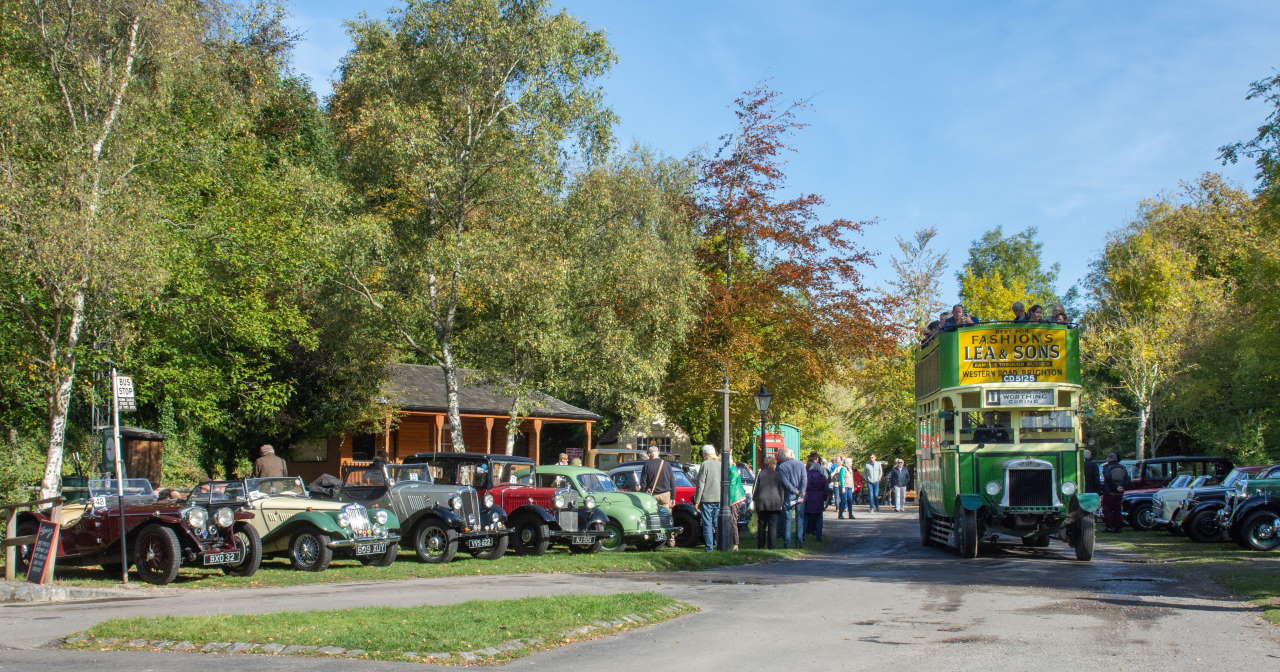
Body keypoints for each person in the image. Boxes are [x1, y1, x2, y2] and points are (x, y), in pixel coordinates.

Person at [776, 447, 807, 548]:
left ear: (784, 456)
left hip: (789, 494)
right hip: (800, 494)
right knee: (800, 518)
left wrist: (795, 491)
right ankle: (799, 542)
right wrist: (801, 492)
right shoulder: (801, 464)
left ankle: (787, 542)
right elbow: (804, 479)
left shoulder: (782, 467)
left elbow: (785, 483)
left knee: (787, 519)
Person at [693, 445, 722, 552]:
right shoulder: (721, 464)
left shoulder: (705, 464)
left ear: (705, 454)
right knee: (718, 523)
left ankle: (709, 547)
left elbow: (700, 484)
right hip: (719, 498)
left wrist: (697, 501)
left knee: (707, 524)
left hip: (707, 499)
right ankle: (719, 545)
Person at [753, 457, 784, 548]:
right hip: (775, 503)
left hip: (761, 503)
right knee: (773, 526)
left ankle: (760, 545)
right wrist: (781, 503)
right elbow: (781, 490)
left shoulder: (760, 474)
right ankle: (772, 546)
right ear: (772, 465)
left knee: (762, 525)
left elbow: (755, 489)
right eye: (775, 464)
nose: (775, 466)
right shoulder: (778, 475)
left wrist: (755, 500)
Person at [1100, 453, 1130, 532]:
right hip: (1119, 493)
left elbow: (1108, 478)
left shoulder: (1106, 467)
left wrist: (1116, 487)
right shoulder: (1122, 467)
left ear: (1110, 458)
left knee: (1107, 509)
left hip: (1109, 492)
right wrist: (1122, 486)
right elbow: (1127, 479)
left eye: (1107, 457)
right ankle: (1118, 527)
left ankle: (1109, 527)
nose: (1106, 458)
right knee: (1117, 510)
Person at [804, 454, 830, 542]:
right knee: (819, 518)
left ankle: (803, 535)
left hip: (808, 498)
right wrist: (825, 499)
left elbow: (803, 487)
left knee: (806, 518)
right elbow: (826, 489)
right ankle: (818, 536)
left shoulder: (806, 476)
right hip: (819, 499)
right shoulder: (822, 477)